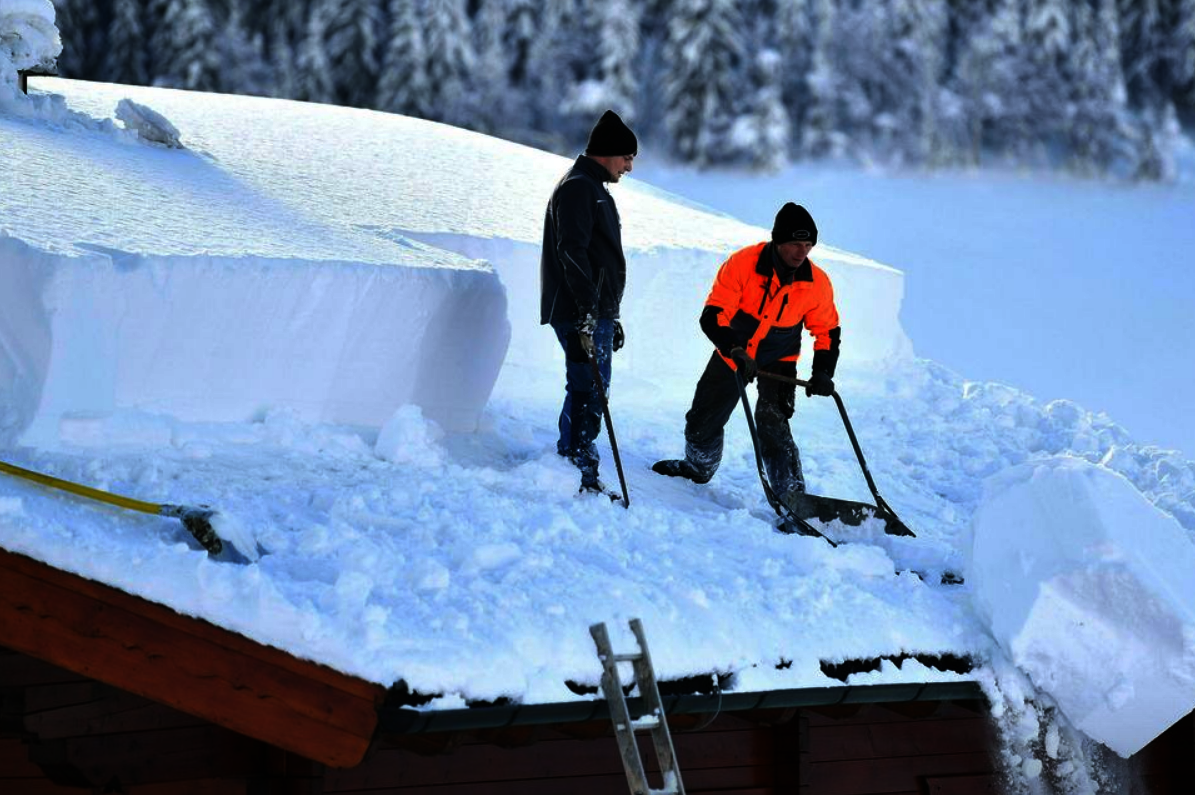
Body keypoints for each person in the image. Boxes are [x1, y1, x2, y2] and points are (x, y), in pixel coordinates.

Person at [652, 203, 840, 502]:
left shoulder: (817, 283)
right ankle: (699, 466)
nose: (802, 251)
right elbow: (713, 315)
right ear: (778, 241)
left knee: (773, 423)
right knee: (703, 418)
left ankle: (791, 497)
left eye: (808, 245)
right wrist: (735, 350)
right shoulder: (743, 263)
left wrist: (823, 372)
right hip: (734, 351)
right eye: (795, 244)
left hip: (780, 359)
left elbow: (827, 331)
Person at [540, 109, 637, 495]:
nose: (629, 166)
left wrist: (608, 316)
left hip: (594, 311)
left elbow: (596, 256)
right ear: (607, 152)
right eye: (626, 157)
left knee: (587, 383)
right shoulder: (580, 187)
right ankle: (581, 466)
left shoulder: (593, 188)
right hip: (581, 310)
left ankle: (571, 456)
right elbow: (572, 251)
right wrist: (586, 313)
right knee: (591, 387)